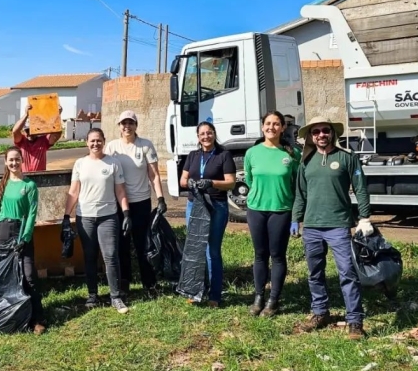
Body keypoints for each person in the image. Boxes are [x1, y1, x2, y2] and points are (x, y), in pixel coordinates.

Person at [292, 116, 373, 340]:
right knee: (314, 273)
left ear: (332, 133)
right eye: (316, 131)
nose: (321, 135)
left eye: (325, 130)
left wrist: (364, 217)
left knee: (347, 273)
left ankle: (355, 321)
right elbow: (301, 193)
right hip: (312, 227)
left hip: (339, 225)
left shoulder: (347, 158)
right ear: (311, 136)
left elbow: (361, 188)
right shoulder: (306, 162)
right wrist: (295, 218)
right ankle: (320, 312)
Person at [63, 128, 131, 314]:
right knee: (90, 256)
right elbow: (73, 191)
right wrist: (66, 216)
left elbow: (120, 191)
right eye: (92, 141)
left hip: (108, 216)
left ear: (104, 141)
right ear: (87, 142)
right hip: (85, 217)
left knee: (110, 256)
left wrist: (125, 213)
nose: (95, 144)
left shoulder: (113, 163)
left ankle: (115, 296)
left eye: (99, 140)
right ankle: (92, 294)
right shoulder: (79, 164)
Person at [104, 110, 167, 297]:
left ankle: (149, 284)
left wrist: (161, 198)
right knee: (122, 245)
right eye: (123, 123)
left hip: (141, 202)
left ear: (136, 125)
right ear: (118, 126)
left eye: (131, 123)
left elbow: (154, 175)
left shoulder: (145, 145)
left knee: (142, 244)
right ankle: (124, 284)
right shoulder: (112, 147)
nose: (127, 127)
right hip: (119, 204)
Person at [243, 111, 300, 317]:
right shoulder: (252, 153)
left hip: (281, 210)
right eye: (268, 123)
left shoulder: (292, 153)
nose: (272, 127)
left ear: (283, 127)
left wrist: (296, 214)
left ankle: (273, 300)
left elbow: (297, 184)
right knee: (260, 255)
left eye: (276, 124)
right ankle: (259, 297)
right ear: (262, 127)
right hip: (256, 209)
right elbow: (249, 180)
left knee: (277, 255)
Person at [0, 146, 45, 334]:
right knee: (4, 276)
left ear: (22, 160)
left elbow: (31, 214)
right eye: (10, 160)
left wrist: (25, 238)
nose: (14, 163)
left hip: (20, 233)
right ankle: (7, 316)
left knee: (28, 276)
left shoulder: (29, 186)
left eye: (17, 159)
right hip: (2, 232)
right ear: (5, 162)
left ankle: (37, 318)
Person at [178, 121, 236, 307]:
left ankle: (215, 295)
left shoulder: (224, 155)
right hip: (194, 206)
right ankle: (194, 291)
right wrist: (192, 184)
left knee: (212, 251)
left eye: (209, 133)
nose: (206, 137)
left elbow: (231, 182)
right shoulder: (193, 155)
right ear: (198, 137)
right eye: (202, 134)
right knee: (195, 249)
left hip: (216, 205)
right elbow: (183, 180)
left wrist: (211, 182)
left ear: (214, 134)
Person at [12, 103, 63, 171]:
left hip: (40, 176)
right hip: (25, 177)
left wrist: (57, 115)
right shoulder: (21, 141)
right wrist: (26, 114)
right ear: (24, 131)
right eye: (27, 131)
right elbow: (15, 131)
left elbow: (57, 133)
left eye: (32, 131)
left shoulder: (44, 141)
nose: (30, 133)